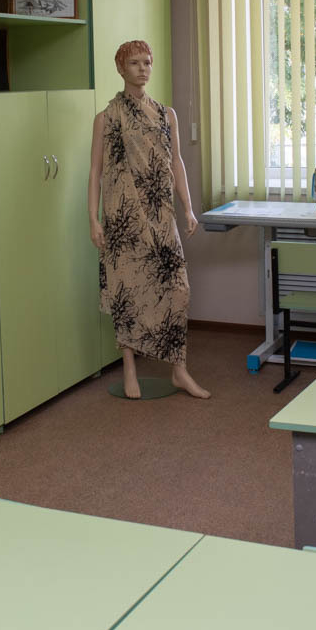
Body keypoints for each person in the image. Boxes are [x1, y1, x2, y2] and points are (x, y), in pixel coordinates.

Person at [87, 40, 210, 399]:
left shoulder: (165, 115)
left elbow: (176, 162)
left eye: (148, 62)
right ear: (120, 68)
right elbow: (95, 172)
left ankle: (179, 370)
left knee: (178, 289)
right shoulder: (107, 118)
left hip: (160, 214)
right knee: (127, 291)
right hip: (123, 218)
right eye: (135, 63)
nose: (143, 69)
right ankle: (130, 369)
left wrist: (188, 207)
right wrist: (93, 219)